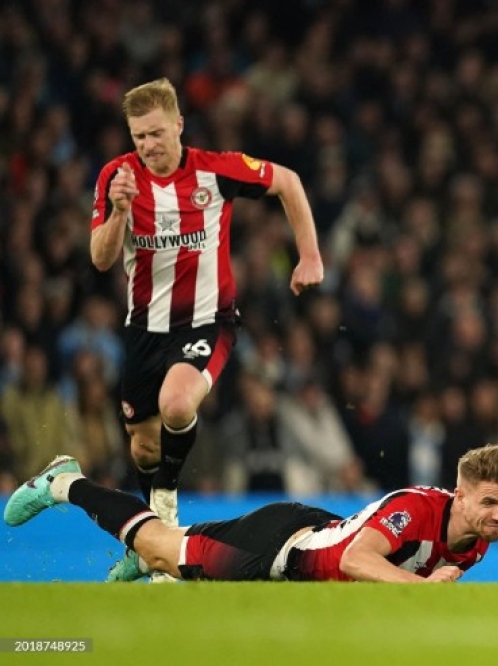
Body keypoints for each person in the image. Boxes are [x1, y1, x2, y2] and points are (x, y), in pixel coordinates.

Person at [89, 79, 323, 550]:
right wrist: (117, 212)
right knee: (143, 444)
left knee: (177, 404)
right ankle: (152, 535)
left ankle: (166, 505)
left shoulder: (216, 172)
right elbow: (100, 258)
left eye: (156, 133)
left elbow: (288, 182)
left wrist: (310, 255)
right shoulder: (117, 177)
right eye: (138, 137)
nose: (148, 145)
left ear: (179, 125)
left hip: (207, 320)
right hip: (143, 329)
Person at [3, 444, 498, 583]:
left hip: (314, 534)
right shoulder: (417, 511)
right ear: (460, 493)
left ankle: (143, 563)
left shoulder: (474, 540)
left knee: (166, 550)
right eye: (489, 502)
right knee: (161, 545)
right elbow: (357, 562)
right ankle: (65, 481)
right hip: (279, 548)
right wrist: (423, 591)